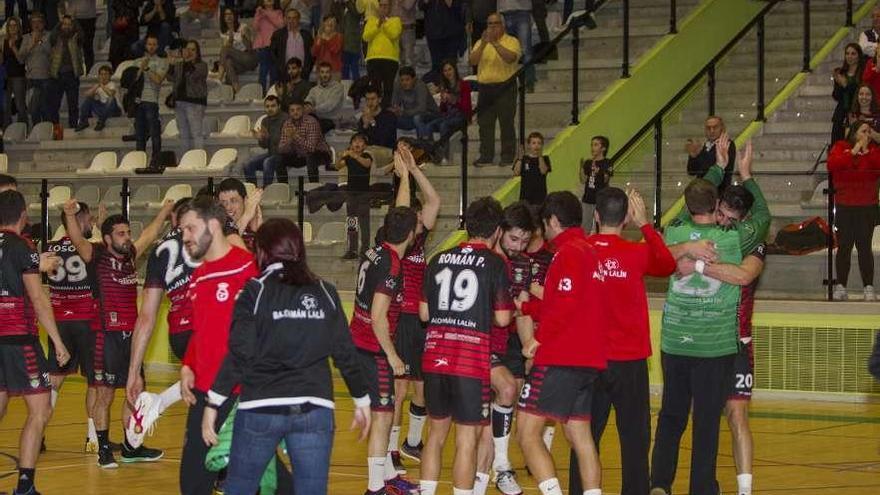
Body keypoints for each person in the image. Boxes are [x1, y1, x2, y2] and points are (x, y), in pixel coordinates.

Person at [199, 218, 371, 494]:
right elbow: (345, 352)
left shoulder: (254, 291)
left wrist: (213, 402)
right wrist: (361, 400)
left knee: (239, 488)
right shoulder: (326, 292)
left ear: (262, 251)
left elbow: (239, 353)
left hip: (261, 407)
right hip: (314, 408)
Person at [649, 178, 759, 495]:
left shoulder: (674, 235)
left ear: (687, 206)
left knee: (671, 415)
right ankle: (701, 488)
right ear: (717, 206)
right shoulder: (731, 238)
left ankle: (659, 483)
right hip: (715, 345)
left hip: (676, 341)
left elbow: (656, 258)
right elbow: (741, 275)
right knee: (707, 422)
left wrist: (690, 262)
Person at [566, 188, 676, 495]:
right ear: (626, 218)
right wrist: (645, 225)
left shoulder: (578, 250)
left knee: (584, 436)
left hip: (588, 362)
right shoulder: (637, 253)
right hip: (629, 362)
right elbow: (667, 265)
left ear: (597, 216)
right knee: (635, 440)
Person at [61, 198, 173, 468]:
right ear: (108, 238)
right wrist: (68, 214)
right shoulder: (95, 254)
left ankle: (131, 446)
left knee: (136, 392)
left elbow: (150, 233)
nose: (127, 238)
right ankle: (102, 450)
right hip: (105, 336)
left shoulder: (132, 254)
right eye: (121, 234)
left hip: (131, 338)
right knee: (105, 395)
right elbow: (76, 237)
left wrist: (165, 210)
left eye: (128, 233)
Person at [418, 196, 513, 495]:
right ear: (497, 230)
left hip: (434, 356)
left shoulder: (437, 259)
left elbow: (423, 314)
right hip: (469, 362)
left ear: (467, 225)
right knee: (467, 440)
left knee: (435, 435)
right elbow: (501, 318)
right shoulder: (495, 263)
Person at [514, 191, 606, 495]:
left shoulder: (568, 254)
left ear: (553, 220)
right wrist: (527, 308)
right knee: (579, 434)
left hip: (561, 359)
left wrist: (536, 339)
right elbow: (567, 304)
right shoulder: (591, 252)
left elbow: (564, 306)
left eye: (546, 223)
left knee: (527, 433)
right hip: (589, 360)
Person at [174, 196, 259, 495]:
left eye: (190, 229)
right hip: (203, 395)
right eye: (182, 230)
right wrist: (188, 365)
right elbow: (201, 331)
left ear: (213, 224)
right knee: (193, 481)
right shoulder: (198, 277)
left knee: (260, 479)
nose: (184, 237)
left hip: (241, 395)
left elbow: (257, 334)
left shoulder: (245, 269)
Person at [0, 189, 71, 495]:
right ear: (23, 215)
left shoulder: (20, 250)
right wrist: (58, 342)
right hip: (19, 339)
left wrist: (36, 262)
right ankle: (25, 486)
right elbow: (39, 299)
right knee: (40, 410)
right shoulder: (22, 246)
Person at [350, 207, 420, 495]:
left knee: (386, 413)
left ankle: (388, 477)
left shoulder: (374, 251)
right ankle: (375, 487)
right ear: (411, 234)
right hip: (372, 348)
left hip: (358, 341)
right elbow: (379, 316)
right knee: (382, 417)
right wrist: (392, 356)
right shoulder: (392, 264)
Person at [123, 198, 202, 449]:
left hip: (179, 333)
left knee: (207, 392)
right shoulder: (207, 234)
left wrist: (134, 372)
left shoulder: (159, 251)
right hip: (205, 326)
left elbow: (146, 316)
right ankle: (160, 402)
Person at [472, 202, 534, 495]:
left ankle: (497, 469)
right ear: (499, 232)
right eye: (513, 239)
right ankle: (500, 466)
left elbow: (523, 309)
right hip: (479, 338)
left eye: (525, 241)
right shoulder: (484, 259)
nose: (518, 246)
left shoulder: (523, 263)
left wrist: (528, 345)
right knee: (496, 400)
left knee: (510, 396)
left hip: (507, 339)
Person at [386, 148, 440, 473]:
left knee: (423, 389)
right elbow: (404, 207)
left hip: (421, 320)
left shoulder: (419, 243)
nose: (421, 221)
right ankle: (392, 449)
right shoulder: (395, 241)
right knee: (400, 388)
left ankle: (412, 442)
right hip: (400, 318)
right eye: (415, 218)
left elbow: (433, 202)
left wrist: (415, 170)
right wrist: (403, 176)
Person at [45, 202, 101, 453]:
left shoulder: (50, 248)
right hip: (87, 321)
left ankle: (39, 433)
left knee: (54, 380)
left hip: (59, 323)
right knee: (93, 381)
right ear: (80, 220)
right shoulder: (88, 248)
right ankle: (93, 438)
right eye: (88, 219)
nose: (91, 224)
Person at [828, 120, 880, 301]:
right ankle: (841, 286)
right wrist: (855, 150)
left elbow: (875, 170)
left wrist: (865, 152)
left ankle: (868, 287)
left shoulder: (873, 150)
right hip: (845, 205)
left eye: (869, 132)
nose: (867, 135)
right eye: (863, 131)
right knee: (844, 247)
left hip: (866, 206)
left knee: (864, 248)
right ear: (854, 132)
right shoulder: (841, 146)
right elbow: (834, 165)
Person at [470, 12, 521, 167]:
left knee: (506, 122)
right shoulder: (480, 42)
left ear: (503, 25)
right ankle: (486, 155)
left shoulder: (511, 41)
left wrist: (496, 44)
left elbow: (511, 58)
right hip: (485, 88)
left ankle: (507, 155)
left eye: (495, 23)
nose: (492, 27)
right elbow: (473, 60)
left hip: (505, 86)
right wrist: (485, 44)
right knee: (485, 123)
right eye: (489, 24)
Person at [416, 59, 471, 160]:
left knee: (443, 125)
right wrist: (444, 101)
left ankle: (445, 156)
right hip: (448, 116)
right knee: (429, 126)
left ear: (455, 70)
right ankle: (431, 153)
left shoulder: (464, 85)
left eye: (450, 69)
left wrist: (453, 100)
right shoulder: (444, 86)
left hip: (461, 115)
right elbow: (443, 110)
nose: (448, 72)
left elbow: (466, 107)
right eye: (445, 71)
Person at [167, 40, 209, 154]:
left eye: (193, 49)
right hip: (179, 102)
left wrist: (187, 62)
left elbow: (193, 75)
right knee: (183, 134)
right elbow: (170, 78)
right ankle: (185, 160)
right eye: (188, 49)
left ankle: (199, 158)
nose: (190, 52)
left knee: (196, 133)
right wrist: (171, 64)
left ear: (198, 52)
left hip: (195, 102)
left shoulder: (202, 65)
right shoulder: (180, 64)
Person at [336, 133, 374, 259]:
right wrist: (341, 157)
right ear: (351, 144)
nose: (357, 143)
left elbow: (367, 164)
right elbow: (337, 166)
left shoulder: (366, 155)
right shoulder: (349, 157)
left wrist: (354, 155)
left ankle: (365, 250)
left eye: (360, 141)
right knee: (352, 222)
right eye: (354, 141)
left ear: (365, 145)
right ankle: (352, 250)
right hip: (351, 193)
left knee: (364, 223)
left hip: (364, 194)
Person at [278, 99, 334, 183]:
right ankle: (283, 188)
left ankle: (314, 188)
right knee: (279, 159)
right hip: (300, 155)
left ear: (303, 110)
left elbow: (311, 148)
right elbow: (281, 149)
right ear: (289, 112)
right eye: (292, 110)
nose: (295, 112)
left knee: (310, 157)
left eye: (298, 109)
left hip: (320, 154)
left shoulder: (311, 122)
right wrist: (289, 140)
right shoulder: (287, 124)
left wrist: (295, 136)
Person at [135, 33, 169, 166]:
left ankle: (156, 161)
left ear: (158, 46)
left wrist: (147, 68)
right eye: (149, 44)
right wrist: (140, 69)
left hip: (151, 101)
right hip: (138, 101)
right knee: (139, 135)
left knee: (155, 133)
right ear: (145, 45)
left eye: (154, 44)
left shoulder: (162, 62)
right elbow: (132, 80)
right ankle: (139, 162)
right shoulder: (137, 61)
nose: (151, 47)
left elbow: (158, 80)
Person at [48, 14, 84, 130]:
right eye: (65, 24)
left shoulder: (76, 37)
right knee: (54, 105)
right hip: (57, 75)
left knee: (73, 105)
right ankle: (56, 129)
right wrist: (60, 21)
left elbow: (82, 34)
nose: (67, 26)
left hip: (72, 76)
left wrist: (74, 20)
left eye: (69, 24)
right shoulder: (56, 38)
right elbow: (52, 35)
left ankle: (73, 127)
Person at [363, 0, 402, 107]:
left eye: (386, 6)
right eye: (381, 5)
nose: (383, 8)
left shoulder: (396, 20)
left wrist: (384, 23)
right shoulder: (371, 21)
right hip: (373, 58)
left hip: (390, 59)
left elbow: (393, 34)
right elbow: (366, 37)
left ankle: (386, 111)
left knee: (388, 88)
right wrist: (377, 25)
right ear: (378, 7)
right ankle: (375, 110)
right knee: (375, 88)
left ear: (390, 7)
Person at [244, 95, 288, 187]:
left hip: (284, 155)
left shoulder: (286, 119)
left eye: (273, 106)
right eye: (267, 106)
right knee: (248, 164)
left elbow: (284, 142)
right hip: (271, 153)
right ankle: (253, 190)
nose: (270, 109)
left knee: (267, 162)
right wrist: (261, 139)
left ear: (279, 106)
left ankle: (266, 191)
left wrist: (268, 137)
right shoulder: (265, 120)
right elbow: (264, 146)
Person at [19, 13, 53, 125]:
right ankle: (37, 134)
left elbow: (51, 53)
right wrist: (31, 45)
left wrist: (40, 41)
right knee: (33, 110)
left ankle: (48, 134)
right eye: (34, 22)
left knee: (46, 109)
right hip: (31, 79)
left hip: (46, 78)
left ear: (43, 23)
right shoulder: (25, 38)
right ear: (30, 24)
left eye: (39, 22)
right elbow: (20, 58)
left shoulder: (49, 35)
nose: (36, 24)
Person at [685, 116, 736, 189]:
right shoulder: (705, 146)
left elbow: (711, 168)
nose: (711, 131)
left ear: (722, 128)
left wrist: (699, 154)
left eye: (715, 127)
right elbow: (691, 171)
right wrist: (693, 155)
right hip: (702, 191)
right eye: (708, 128)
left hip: (718, 192)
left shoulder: (727, 144)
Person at [420, 0, 467, 73]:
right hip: (433, 33)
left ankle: (452, 83)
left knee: (450, 64)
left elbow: (459, 7)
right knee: (436, 64)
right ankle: (438, 82)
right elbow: (421, 6)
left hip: (451, 34)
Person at [218, 8, 257, 93]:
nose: (228, 16)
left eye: (230, 14)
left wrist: (245, 37)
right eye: (226, 15)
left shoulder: (243, 26)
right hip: (238, 63)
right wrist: (231, 32)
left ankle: (219, 77)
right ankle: (237, 90)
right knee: (228, 62)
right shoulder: (223, 33)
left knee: (225, 50)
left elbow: (250, 48)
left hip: (249, 58)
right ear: (223, 18)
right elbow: (228, 46)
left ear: (234, 16)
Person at [217, 177, 262, 250]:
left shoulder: (253, 222)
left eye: (234, 201)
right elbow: (226, 249)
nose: (228, 207)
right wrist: (246, 216)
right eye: (223, 202)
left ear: (245, 200)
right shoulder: (217, 227)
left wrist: (260, 231)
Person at [270, 8, 315, 82]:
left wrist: (308, 68)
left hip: (303, 73)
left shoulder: (306, 35)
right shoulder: (278, 34)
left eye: (294, 18)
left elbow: (312, 54)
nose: (291, 20)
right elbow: (272, 53)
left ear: (299, 19)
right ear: (285, 19)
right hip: (284, 73)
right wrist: (280, 67)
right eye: (289, 18)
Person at [498, 0, 534, 91]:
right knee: (507, 49)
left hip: (522, 12)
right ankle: (509, 83)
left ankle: (529, 82)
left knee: (525, 50)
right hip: (504, 12)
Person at [579, 135, 612, 234]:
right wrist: (581, 168)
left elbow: (606, 180)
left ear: (603, 148)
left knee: (602, 227)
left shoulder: (607, 162)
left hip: (601, 199)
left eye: (596, 145)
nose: (592, 147)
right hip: (587, 199)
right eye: (592, 145)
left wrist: (598, 171)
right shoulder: (588, 162)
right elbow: (583, 180)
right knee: (585, 227)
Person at [832, 43, 864, 143]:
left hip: (857, 113)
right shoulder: (841, 73)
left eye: (853, 54)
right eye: (847, 53)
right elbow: (836, 96)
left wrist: (845, 84)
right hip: (841, 114)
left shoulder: (863, 73)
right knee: (837, 145)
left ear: (859, 56)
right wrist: (839, 84)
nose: (849, 56)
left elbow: (859, 93)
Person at [358, 87, 398, 165]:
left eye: (373, 99)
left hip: (385, 150)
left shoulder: (389, 116)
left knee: (366, 155)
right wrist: (365, 125)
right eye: (367, 99)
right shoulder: (364, 117)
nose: (370, 103)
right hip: (368, 150)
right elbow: (360, 139)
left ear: (379, 100)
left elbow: (383, 140)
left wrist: (372, 122)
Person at [391, 66, 438, 132]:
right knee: (389, 118)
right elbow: (394, 104)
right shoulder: (398, 85)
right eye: (402, 80)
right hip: (409, 116)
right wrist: (395, 109)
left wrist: (404, 112)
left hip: (429, 114)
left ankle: (423, 140)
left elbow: (422, 108)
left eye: (407, 80)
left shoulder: (420, 86)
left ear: (414, 79)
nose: (404, 83)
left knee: (417, 118)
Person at [75, 65, 121, 132]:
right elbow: (86, 94)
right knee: (89, 99)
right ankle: (83, 121)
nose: (103, 76)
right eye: (101, 74)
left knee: (111, 99)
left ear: (110, 76)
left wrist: (102, 86)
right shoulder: (98, 86)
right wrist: (96, 87)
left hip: (114, 110)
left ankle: (101, 121)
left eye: (106, 74)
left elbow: (111, 94)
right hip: (102, 109)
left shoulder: (112, 84)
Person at [252, 0, 284, 92]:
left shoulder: (278, 12)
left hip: (275, 46)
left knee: (274, 71)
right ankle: (261, 93)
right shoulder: (260, 12)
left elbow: (280, 25)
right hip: (263, 46)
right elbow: (255, 27)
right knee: (263, 71)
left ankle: (272, 92)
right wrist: (258, 14)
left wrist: (267, 14)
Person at [305, 61, 346, 133]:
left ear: (331, 73)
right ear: (319, 74)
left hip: (332, 121)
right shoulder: (314, 89)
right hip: (316, 119)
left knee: (314, 127)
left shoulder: (338, 87)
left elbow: (330, 105)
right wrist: (307, 106)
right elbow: (308, 100)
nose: (325, 75)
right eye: (322, 72)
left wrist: (313, 109)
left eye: (327, 72)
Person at [2, 17, 28, 127]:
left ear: (18, 27)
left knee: (20, 105)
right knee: (5, 105)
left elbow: (21, 60)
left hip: (19, 76)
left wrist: (13, 47)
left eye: (14, 25)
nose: (12, 28)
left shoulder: (23, 40)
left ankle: (23, 128)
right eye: (10, 26)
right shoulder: (4, 41)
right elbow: (3, 59)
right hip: (6, 76)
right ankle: (7, 129)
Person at [513, 131, 551, 206]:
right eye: (534, 143)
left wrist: (540, 156)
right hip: (525, 198)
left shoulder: (545, 159)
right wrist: (520, 159)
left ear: (542, 145)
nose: (536, 146)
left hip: (540, 198)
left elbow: (543, 171)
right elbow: (516, 173)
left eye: (539, 143)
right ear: (529, 145)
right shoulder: (524, 159)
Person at [65, 0, 99, 71]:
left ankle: (90, 70)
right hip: (72, 17)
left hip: (89, 16)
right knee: (72, 46)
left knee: (88, 46)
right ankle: (74, 71)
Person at [340, 0, 364, 81]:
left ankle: (357, 87)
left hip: (353, 42)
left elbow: (357, 12)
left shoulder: (357, 3)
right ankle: (345, 88)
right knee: (344, 68)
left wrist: (347, 2)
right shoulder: (342, 6)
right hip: (343, 42)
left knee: (354, 68)